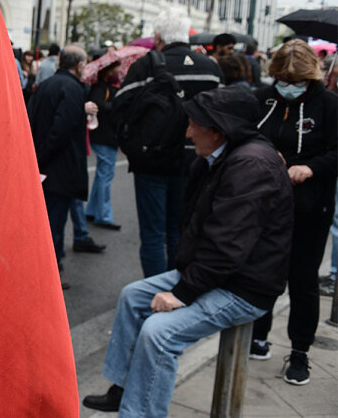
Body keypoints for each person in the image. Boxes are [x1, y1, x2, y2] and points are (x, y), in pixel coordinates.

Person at [83, 86, 294, 416]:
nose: (188, 131)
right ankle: (123, 390)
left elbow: (227, 247)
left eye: (194, 125)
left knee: (158, 333)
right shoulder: (222, 157)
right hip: (216, 272)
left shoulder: (250, 166)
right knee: (132, 296)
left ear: (218, 130)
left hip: (243, 286)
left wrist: (182, 292)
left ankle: (141, 412)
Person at [250, 39, 337, 385]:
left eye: (296, 81)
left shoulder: (329, 105)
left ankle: (300, 352)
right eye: (282, 80)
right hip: (268, 204)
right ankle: (258, 335)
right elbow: (247, 135)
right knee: (263, 273)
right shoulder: (264, 99)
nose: (289, 87)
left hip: (311, 206)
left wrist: (310, 168)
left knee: (303, 282)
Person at [117, 7, 222, 278]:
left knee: (152, 234)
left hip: (152, 159)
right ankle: (173, 288)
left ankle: (152, 290)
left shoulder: (146, 65)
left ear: (159, 36)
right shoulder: (210, 69)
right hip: (196, 161)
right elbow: (223, 116)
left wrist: (132, 146)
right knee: (180, 229)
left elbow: (121, 108)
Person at [28, 45, 104, 268]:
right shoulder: (71, 88)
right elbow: (61, 130)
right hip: (59, 167)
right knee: (54, 224)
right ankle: (48, 270)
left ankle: (49, 265)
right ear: (80, 65)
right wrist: (42, 157)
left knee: (48, 221)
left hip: (45, 165)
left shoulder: (45, 85)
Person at [86, 61, 122, 230]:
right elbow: (97, 105)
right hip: (104, 136)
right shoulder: (102, 88)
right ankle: (103, 215)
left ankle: (93, 210)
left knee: (102, 175)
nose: (119, 73)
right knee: (105, 176)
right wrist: (116, 106)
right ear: (108, 72)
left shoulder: (105, 87)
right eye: (116, 70)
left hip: (104, 136)